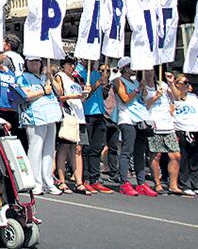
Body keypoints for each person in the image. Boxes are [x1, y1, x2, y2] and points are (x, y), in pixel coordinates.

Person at [17, 56, 62, 195]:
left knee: (49, 150)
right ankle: (35, 182)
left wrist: (51, 78)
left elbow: (60, 92)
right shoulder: (22, 77)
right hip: (35, 117)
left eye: (37, 61)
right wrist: (43, 91)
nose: (35, 63)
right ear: (26, 63)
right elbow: (25, 95)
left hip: (51, 116)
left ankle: (48, 181)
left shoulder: (45, 77)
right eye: (31, 61)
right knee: (35, 149)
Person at [112, 58, 151, 197]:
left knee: (140, 152)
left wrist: (143, 90)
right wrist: (138, 90)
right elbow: (125, 99)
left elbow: (142, 101)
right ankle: (124, 182)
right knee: (127, 151)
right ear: (125, 68)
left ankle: (141, 183)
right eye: (131, 66)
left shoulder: (136, 82)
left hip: (139, 119)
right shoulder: (118, 81)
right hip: (127, 118)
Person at [53, 56, 90, 194]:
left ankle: (79, 182)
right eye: (69, 64)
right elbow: (59, 97)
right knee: (63, 148)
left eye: (73, 64)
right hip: (68, 115)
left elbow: (81, 99)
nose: (72, 67)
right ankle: (62, 180)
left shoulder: (76, 79)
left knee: (78, 149)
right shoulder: (60, 77)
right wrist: (74, 96)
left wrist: (84, 94)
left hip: (79, 116)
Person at [75, 62, 113, 193]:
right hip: (87, 113)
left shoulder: (97, 73)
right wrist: (96, 85)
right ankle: (84, 178)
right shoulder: (79, 73)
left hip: (100, 113)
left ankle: (95, 178)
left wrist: (105, 85)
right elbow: (82, 97)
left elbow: (104, 95)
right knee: (86, 148)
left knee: (97, 148)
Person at [142, 69, 180, 196]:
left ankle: (173, 185)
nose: (149, 73)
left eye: (151, 71)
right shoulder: (143, 86)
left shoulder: (162, 85)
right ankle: (157, 183)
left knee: (175, 155)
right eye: (147, 71)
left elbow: (177, 97)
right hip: (154, 123)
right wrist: (155, 97)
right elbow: (144, 105)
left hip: (168, 124)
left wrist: (171, 84)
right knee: (156, 155)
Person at [0, 34, 26, 147]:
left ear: (8, 45)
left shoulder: (7, 58)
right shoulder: (20, 58)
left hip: (11, 98)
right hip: (13, 98)